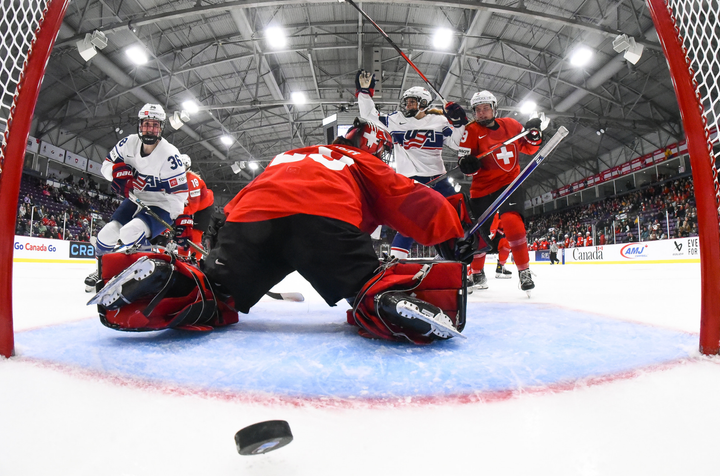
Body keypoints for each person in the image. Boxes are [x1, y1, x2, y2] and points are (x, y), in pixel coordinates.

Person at [90, 118, 476, 345]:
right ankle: (383, 300)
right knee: (366, 288)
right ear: (374, 148)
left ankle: (175, 282)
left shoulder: (290, 154)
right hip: (323, 222)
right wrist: (450, 234)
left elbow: (242, 200)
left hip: (252, 222)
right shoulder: (360, 160)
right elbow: (406, 197)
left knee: (215, 294)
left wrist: (228, 246)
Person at [355, 70, 468, 259]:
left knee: (459, 216)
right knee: (410, 222)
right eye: (406, 101)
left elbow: (457, 143)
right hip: (411, 181)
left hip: (438, 178)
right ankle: (396, 262)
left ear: (424, 103)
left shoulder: (439, 121)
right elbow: (369, 115)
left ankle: (458, 258)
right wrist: (365, 93)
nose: (407, 105)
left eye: (412, 101)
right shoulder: (395, 120)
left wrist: (460, 122)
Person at [84, 103, 189, 291]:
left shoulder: (170, 156)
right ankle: (102, 273)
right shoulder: (128, 143)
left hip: (161, 205)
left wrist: (177, 220)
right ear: (140, 125)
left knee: (129, 233)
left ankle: (152, 273)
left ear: (161, 128)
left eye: (155, 125)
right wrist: (116, 174)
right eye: (147, 124)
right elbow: (106, 166)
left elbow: (179, 196)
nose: (150, 129)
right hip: (135, 199)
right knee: (106, 234)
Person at [456, 90, 543, 294]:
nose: (482, 113)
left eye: (486, 108)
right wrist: (468, 165)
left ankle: (524, 271)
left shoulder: (511, 125)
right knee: (479, 233)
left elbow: (530, 148)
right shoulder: (471, 131)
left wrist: (534, 135)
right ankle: (476, 272)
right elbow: (467, 167)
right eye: (478, 110)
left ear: (494, 108)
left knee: (513, 223)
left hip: (509, 184)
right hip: (482, 189)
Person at [174, 154, 215, 259]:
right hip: (190, 206)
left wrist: (175, 212)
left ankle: (195, 261)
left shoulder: (193, 181)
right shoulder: (172, 176)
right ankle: (181, 258)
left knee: (194, 235)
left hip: (203, 208)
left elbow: (193, 208)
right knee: (182, 233)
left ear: (186, 167)